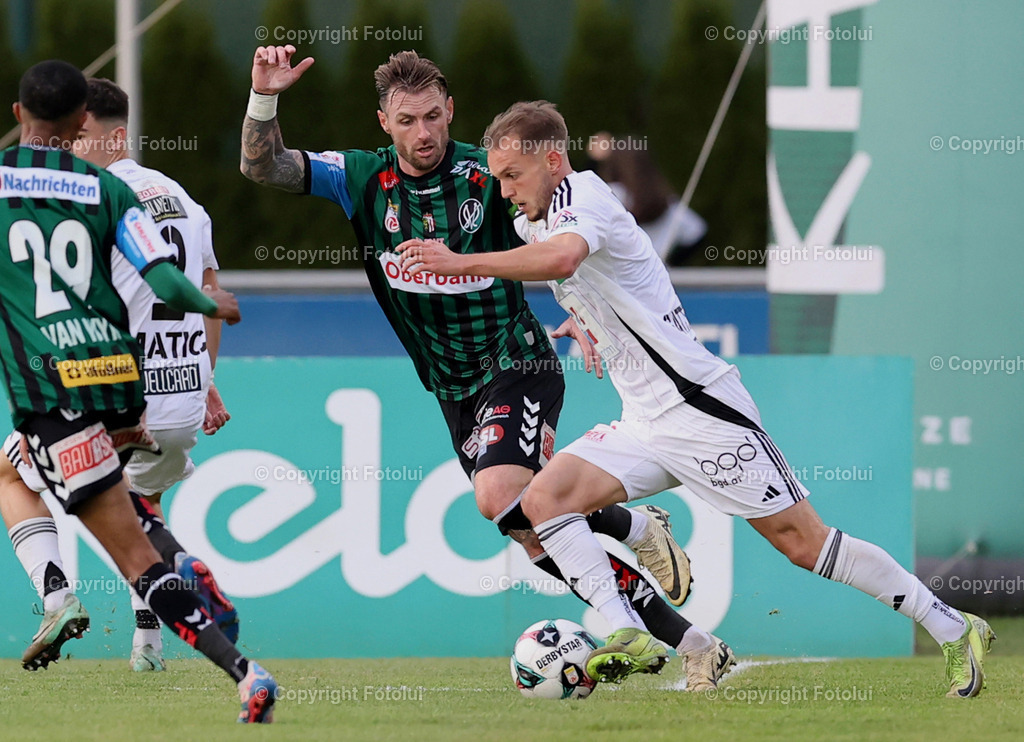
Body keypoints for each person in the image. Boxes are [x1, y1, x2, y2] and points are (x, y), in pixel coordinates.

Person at [397, 100, 996, 697]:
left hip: (700, 410)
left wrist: (458, 261)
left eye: (511, 175)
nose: (503, 191)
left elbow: (564, 256)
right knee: (544, 499)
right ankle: (626, 630)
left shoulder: (587, 198)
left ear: (554, 160)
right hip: (642, 422)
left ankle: (952, 625)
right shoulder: (535, 219)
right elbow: (565, 271)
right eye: (498, 178)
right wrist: (580, 316)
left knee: (803, 544)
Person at [240, 46, 734, 689]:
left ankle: (623, 624)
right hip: (450, 387)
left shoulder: (489, 175)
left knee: (500, 494)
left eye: (434, 117)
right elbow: (264, 166)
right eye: (409, 121)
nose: (425, 134)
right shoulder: (360, 179)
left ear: (450, 111)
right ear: (384, 123)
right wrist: (264, 97)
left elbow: (558, 240)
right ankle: (688, 628)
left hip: (517, 360)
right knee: (532, 532)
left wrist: (585, 310)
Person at [0, 60, 275, 722]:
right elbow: (166, 281)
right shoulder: (107, 191)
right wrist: (218, 301)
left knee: (12, 478)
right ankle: (245, 672)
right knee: (140, 554)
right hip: (120, 387)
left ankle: (57, 591)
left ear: (18, 116)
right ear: (79, 123)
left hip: (54, 392)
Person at [586, 132, 706, 265]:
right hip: (656, 275)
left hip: (620, 276)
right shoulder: (668, 202)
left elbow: (581, 204)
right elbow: (697, 231)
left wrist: (594, 161)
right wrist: (673, 261)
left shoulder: (611, 194)